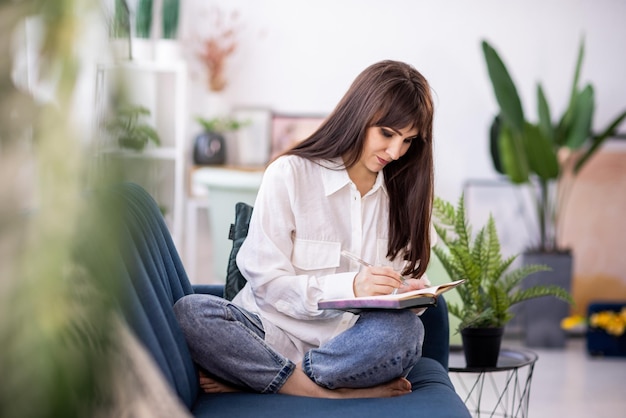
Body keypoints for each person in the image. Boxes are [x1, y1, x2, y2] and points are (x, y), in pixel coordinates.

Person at [174, 60, 435, 399]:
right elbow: (266, 284)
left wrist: (407, 294)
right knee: (191, 313)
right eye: (387, 134)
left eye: (408, 141)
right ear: (360, 114)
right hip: (267, 334)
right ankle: (331, 394)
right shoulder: (290, 174)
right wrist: (351, 285)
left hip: (346, 349)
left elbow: (391, 308)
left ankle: (269, 381)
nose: (396, 152)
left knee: (406, 330)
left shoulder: (402, 197)